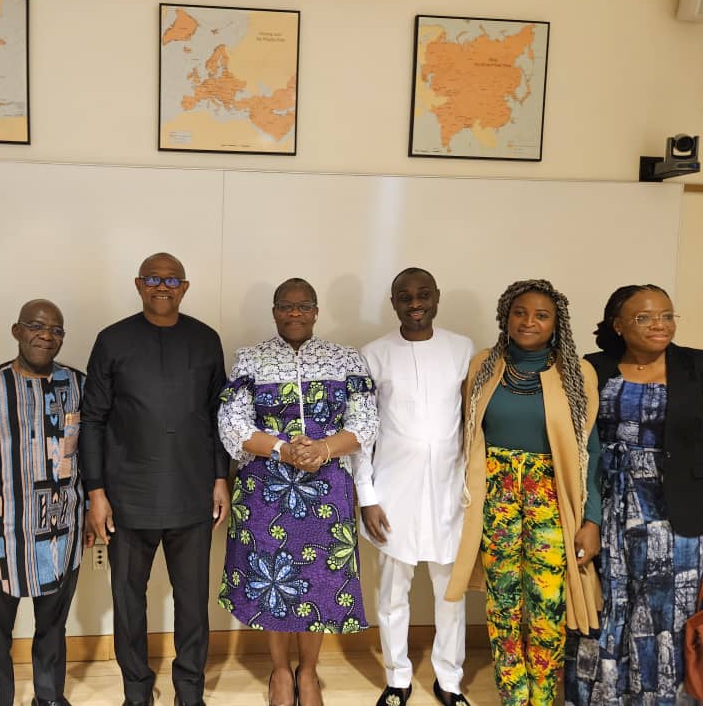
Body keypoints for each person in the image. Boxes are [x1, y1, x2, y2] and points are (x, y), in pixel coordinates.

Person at [218, 277, 377, 706]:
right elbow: (232, 423)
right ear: (274, 311)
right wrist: (283, 450)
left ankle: (308, 672)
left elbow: (365, 421)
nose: (294, 313)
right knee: (275, 582)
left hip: (327, 490)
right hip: (266, 490)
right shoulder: (249, 359)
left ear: (316, 311)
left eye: (303, 306)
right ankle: (280, 672)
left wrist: (324, 448)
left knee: (320, 581)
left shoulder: (346, 359)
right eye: (286, 306)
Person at [81, 252, 230, 706]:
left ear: (185, 287)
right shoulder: (112, 340)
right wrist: (96, 493)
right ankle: (136, 691)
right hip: (128, 496)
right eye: (152, 278)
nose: (161, 286)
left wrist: (222, 478)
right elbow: (93, 419)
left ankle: (190, 691)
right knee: (128, 601)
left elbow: (218, 415)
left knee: (192, 603)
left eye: (171, 280)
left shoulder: (206, 340)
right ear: (138, 284)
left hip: (192, 493)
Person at [445, 278, 603, 706]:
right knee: (502, 605)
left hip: (551, 497)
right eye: (520, 312)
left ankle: (543, 696)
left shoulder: (576, 373)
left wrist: (592, 519)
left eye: (541, 314)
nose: (528, 321)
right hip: (495, 497)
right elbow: (465, 434)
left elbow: (590, 449)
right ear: (506, 316)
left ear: (557, 323)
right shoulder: (483, 366)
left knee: (548, 605)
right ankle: (513, 696)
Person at [564, 284, 703, 705]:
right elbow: (576, 442)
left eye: (666, 315)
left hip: (675, 509)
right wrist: (586, 515)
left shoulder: (696, 366)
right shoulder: (592, 368)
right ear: (618, 325)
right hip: (605, 505)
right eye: (644, 317)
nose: (660, 324)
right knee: (604, 604)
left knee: (666, 612)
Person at [0, 299, 84, 706]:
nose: (46, 336)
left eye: (56, 330)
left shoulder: (79, 384)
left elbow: (94, 455)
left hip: (62, 534)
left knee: (52, 629)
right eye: (36, 326)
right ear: (16, 331)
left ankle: (48, 696)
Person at [357, 268, 473, 706]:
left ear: (437, 297)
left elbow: (471, 421)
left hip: (450, 492)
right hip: (393, 493)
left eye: (423, 294)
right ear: (393, 303)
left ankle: (450, 681)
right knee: (392, 594)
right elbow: (361, 434)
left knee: (451, 593)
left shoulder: (462, 349)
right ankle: (398, 678)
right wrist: (367, 497)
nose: (415, 302)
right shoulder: (373, 354)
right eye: (405, 296)